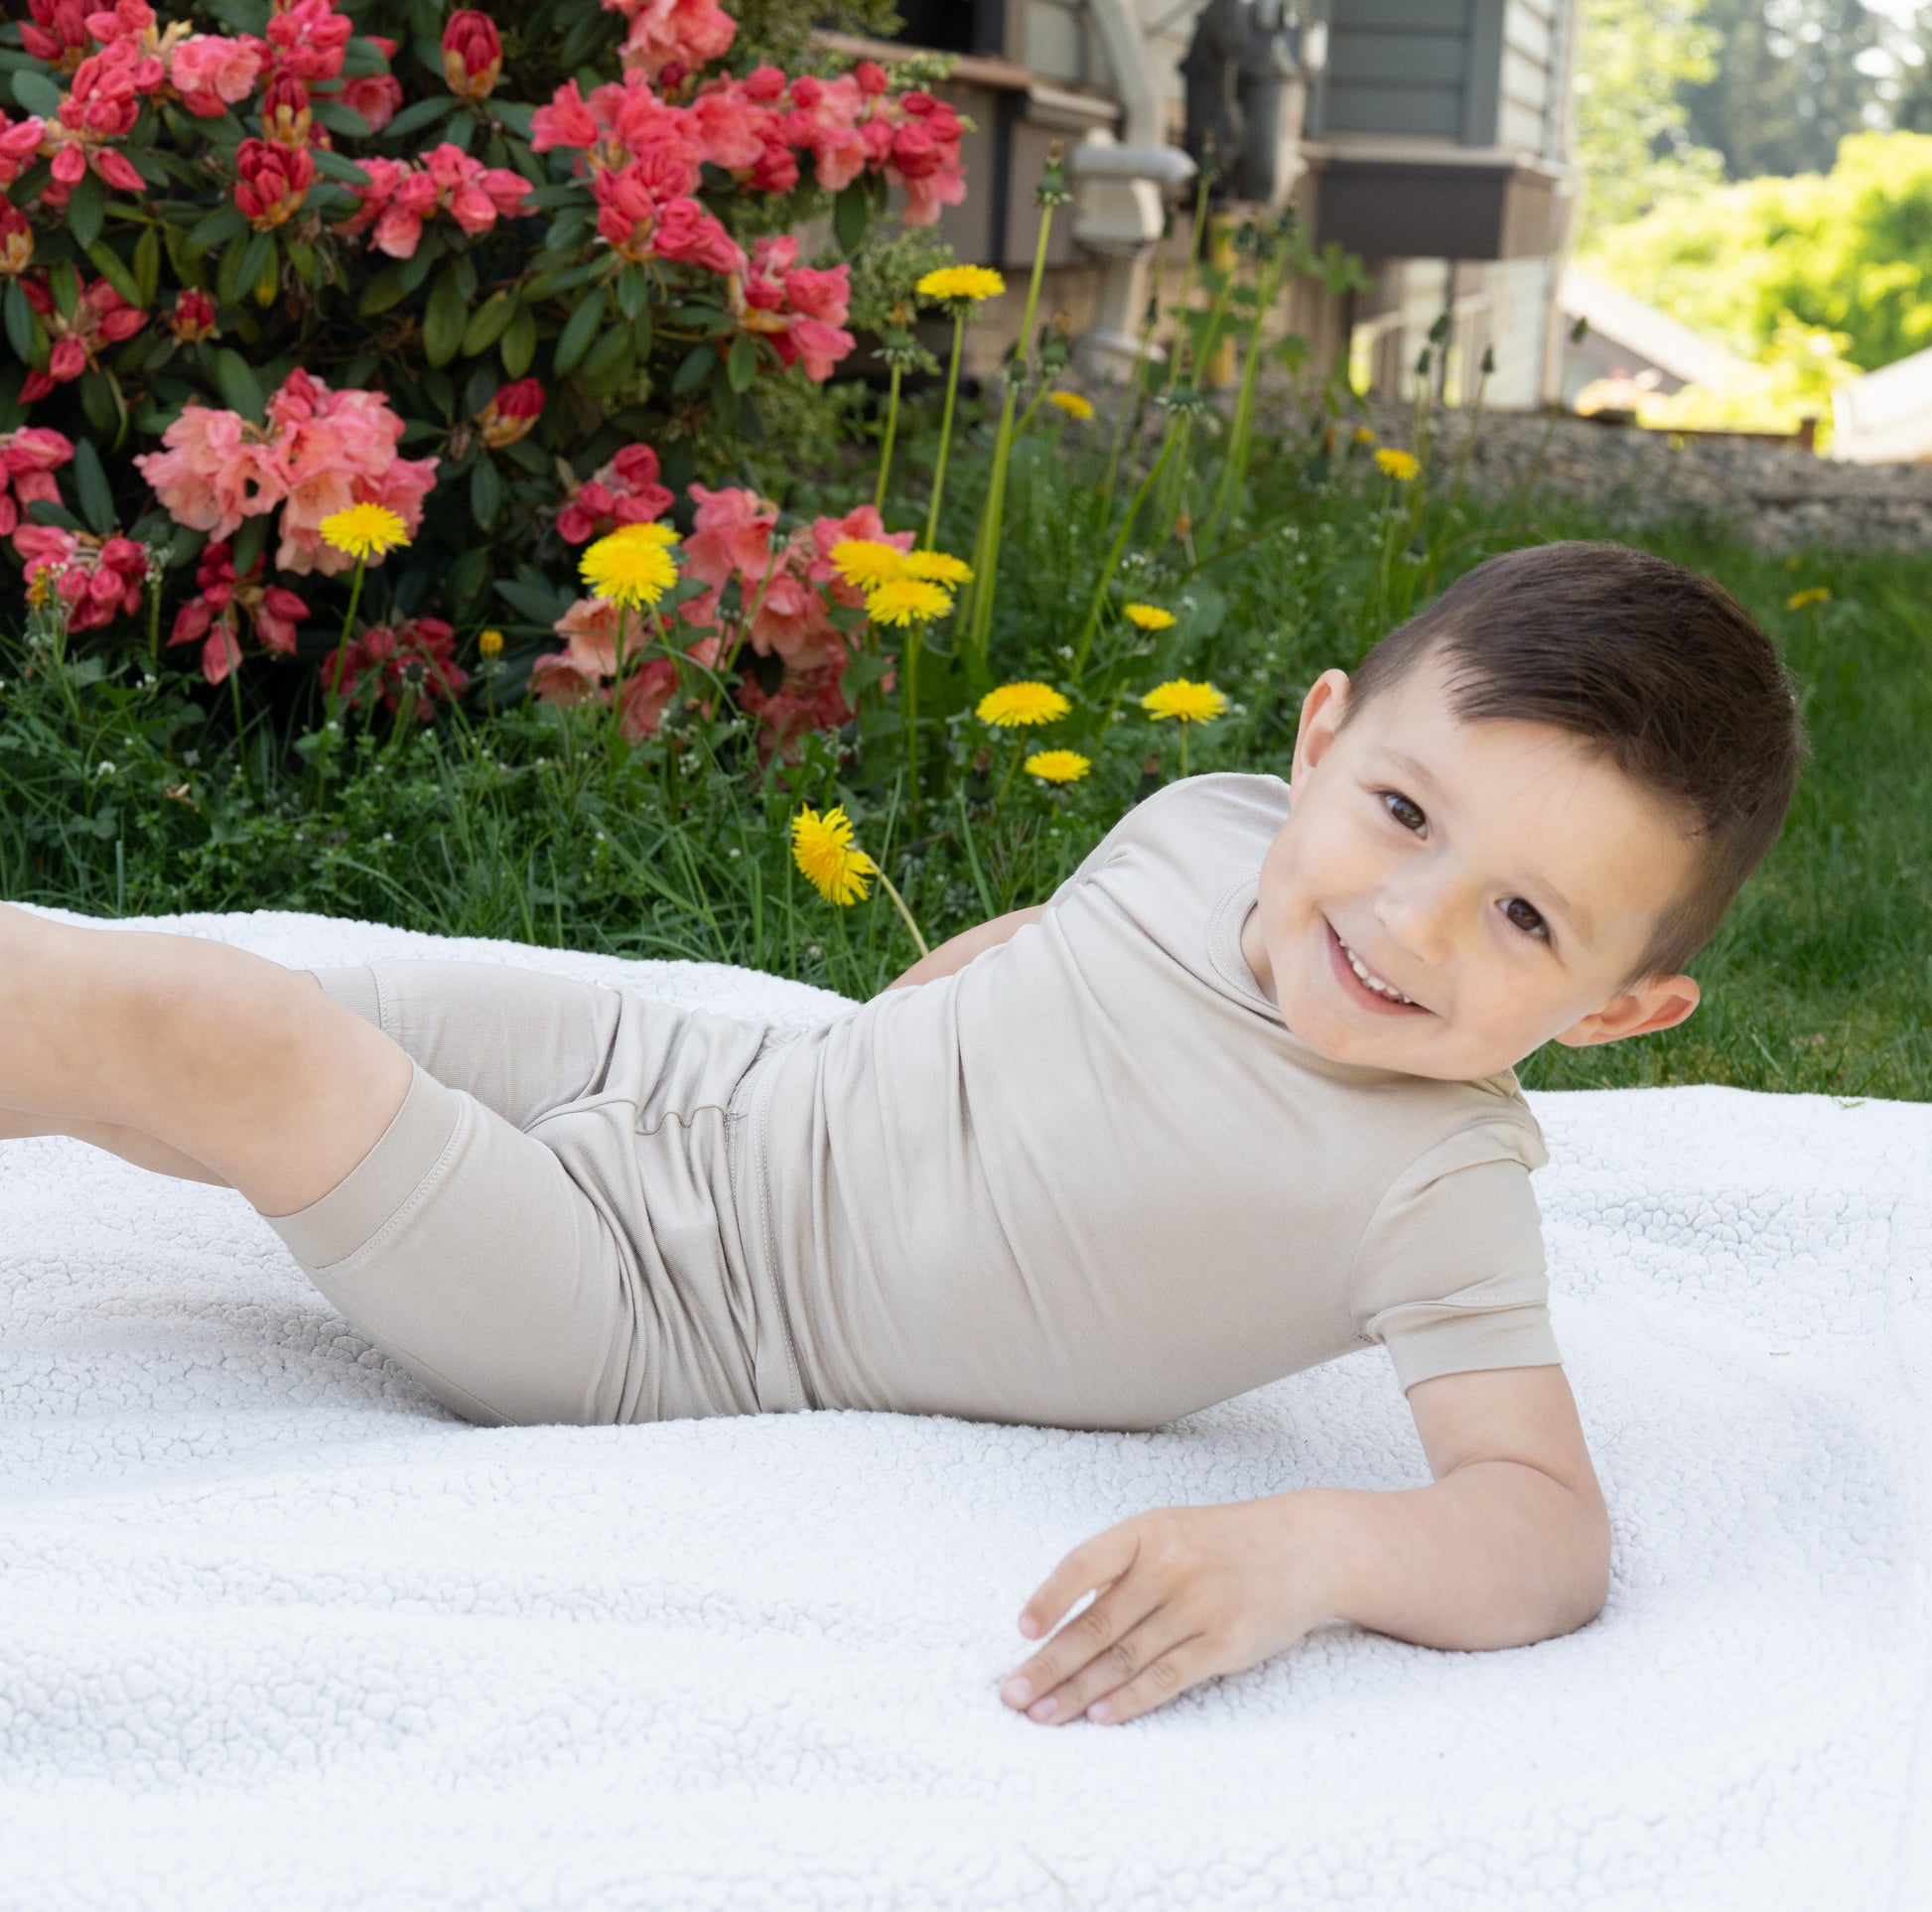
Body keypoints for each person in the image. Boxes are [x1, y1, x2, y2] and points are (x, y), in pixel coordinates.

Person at [0, 541, 1803, 1729]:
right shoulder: (1209, 818)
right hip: (688, 1067)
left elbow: (1544, 1527)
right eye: (1403, 809)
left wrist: (1309, 1552)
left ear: (1619, 1011)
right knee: (205, 1022)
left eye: (1524, 923)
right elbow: (1033, 962)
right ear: (1321, 740)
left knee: (223, 1039)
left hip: (652, 1314)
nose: (1408, 920)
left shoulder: (1437, 1184)